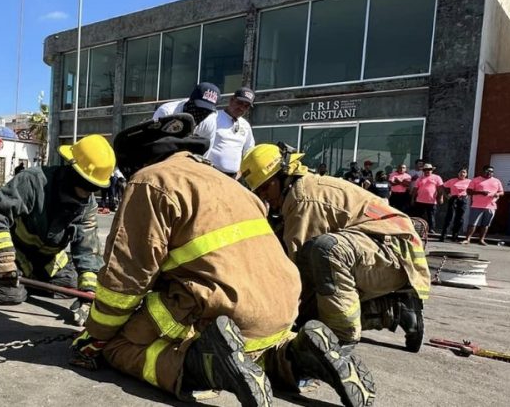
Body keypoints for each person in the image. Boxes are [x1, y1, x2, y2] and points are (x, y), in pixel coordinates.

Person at [71, 116, 375, 407]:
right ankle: (301, 355)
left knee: (119, 346)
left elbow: (126, 279)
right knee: (259, 352)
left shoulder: (149, 181)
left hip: (226, 310)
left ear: (136, 162)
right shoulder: (232, 185)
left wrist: (95, 335)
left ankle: (206, 366)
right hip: (282, 311)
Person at [240, 143, 430, 356]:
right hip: (377, 253)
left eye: (266, 187)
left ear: (284, 175)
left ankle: (341, 338)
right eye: (258, 191)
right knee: (314, 311)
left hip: (392, 256)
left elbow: (296, 271)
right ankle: (394, 311)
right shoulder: (297, 193)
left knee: (325, 251)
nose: (263, 195)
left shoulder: (303, 198)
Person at [0, 134, 114, 307]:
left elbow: (88, 250)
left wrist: (88, 295)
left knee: (74, 283)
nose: (86, 194)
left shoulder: (87, 205)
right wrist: (4, 260)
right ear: (71, 170)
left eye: (93, 187)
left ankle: (25, 282)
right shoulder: (33, 181)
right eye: (84, 184)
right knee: (7, 295)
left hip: (47, 263)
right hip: (15, 256)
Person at [204, 87, 255, 176]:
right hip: (211, 173)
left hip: (234, 177)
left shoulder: (245, 125)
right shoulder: (214, 117)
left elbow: (249, 151)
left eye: (246, 106)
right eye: (239, 103)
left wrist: (241, 172)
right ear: (231, 100)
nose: (241, 108)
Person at [152, 82, 220, 142]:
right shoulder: (167, 112)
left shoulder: (209, 122)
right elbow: (152, 143)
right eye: (200, 108)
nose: (203, 112)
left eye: (207, 111)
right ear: (191, 100)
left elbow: (204, 153)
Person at [462, 166, 504, 246]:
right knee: (472, 223)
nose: (489, 173)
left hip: (490, 206)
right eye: (487, 171)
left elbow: (501, 192)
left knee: (485, 224)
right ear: (483, 171)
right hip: (477, 205)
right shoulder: (476, 180)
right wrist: (481, 192)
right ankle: (467, 239)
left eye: (491, 171)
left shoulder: (496, 181)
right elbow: (469, 191)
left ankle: (481, 240)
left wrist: (497, 194)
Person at [411, 164, 444, 235]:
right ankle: (419, 229)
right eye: (425, 170)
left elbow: (440, 189)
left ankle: (431, 229)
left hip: (431, 200)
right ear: (423, 171)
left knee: (431, 216)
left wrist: (441, 197)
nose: (427, 171)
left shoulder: (437, 178)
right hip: (420, 200)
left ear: (432, 170)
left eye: (429, 169)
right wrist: (413, 199)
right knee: (419, 216)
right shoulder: (419, 179)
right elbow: (415, 189)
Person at [441, 169, 471, 243]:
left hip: (463, 199)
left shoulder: (469, 182)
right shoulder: (452, 180)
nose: (462, 174)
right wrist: (446, 195)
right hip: (453, 198)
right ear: (458, 173)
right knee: (449, 217)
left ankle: (455, 236)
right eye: (461, 172)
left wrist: (468, 195)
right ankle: (443, 236)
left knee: (460, 218)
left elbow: (472, 190)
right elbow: (442, 187)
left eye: (464, 172)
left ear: (466, 174)